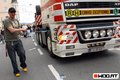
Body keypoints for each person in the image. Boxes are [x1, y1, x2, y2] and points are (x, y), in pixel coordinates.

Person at [3, 7, 28, 77]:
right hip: (9, 43)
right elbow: (12, 30)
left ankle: (23, 65)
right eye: (11, 12)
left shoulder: (16, 20)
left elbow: (19, 31)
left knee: (22, 53)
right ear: (9, 13)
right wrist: (22, 29)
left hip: (18, 40)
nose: (13, 13)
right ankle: (16, 71)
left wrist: (22, 33)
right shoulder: (6, 21)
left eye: (14, 12)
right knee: (13, 58)